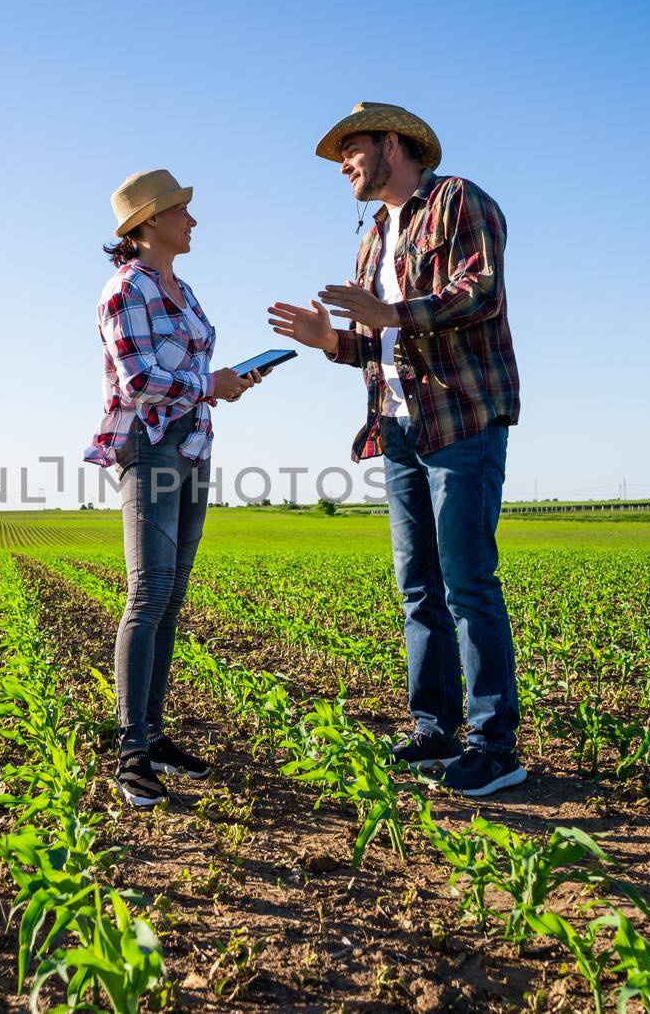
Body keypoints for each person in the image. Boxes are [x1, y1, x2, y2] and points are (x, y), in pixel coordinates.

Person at [267, 103, 525, 796]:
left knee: (468, 581)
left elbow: (481, 290)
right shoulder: (375, 237)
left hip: (461, 416)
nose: (343, 166)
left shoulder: (456, 200)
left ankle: (494, 742)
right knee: (418, 586)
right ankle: (434, 729)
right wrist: (334, 342)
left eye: (351, 151)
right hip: (399, 425)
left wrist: (394, 314)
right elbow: (383, 345)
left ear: (390, 143)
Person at [86, 168, 265, 807]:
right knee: (149, 592)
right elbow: (138, 380)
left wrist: (225, 383)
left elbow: (187, 368)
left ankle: (155, 737)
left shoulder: (181, 289)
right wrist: (209, 384)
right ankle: (132, 753)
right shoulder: (124, 290)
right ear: (150, 223)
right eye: (182, 212)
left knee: (172, 597)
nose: (192, 221)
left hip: (193, 446)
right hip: (152, 447)